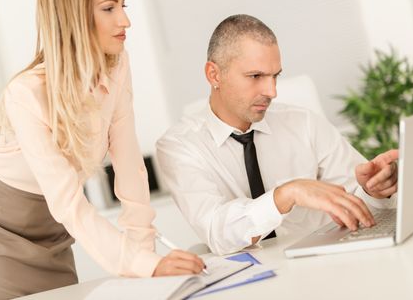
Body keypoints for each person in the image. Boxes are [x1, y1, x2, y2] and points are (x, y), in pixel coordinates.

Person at [0, 0, 204, 299]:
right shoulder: (25, 93)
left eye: (123, 5)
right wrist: (142, 264)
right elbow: (68, 200)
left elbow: (129, 166)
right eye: (110, 8)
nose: (125, 20)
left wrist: (144, 258)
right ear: (74, 14)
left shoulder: (117, 64)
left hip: (53, 226)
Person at [156, 14, 398, 255]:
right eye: (255, 76)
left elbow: (361, 207)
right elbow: (217, 233)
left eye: (275, 76)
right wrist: (287, 194)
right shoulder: (178, 146)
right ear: (214, 75)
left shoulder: (304, 122)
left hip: (323, 260)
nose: (272, 91)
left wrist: (373, 191)